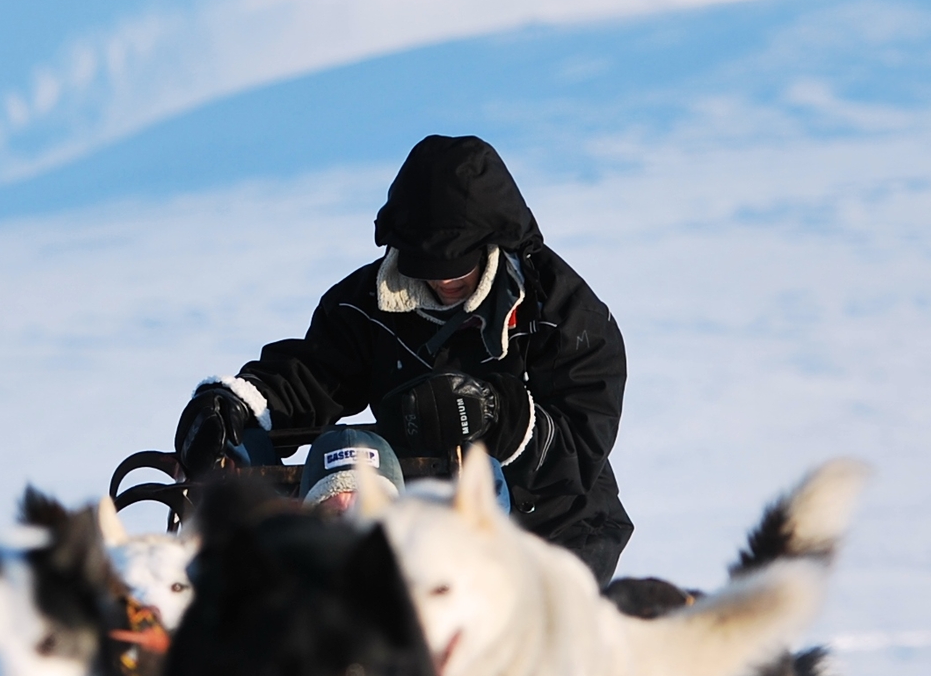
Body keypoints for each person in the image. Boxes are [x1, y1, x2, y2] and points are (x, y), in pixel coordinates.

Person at [174, 134, 633, 582]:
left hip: (552, 536)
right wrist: (236, 405)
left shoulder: (565, 315)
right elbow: (313, 375)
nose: (444, 279)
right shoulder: (367, 303)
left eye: (459, 263)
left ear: (494, 242)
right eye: (429, 266)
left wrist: (499, 414)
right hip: (421, 528)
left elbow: (583, 442)